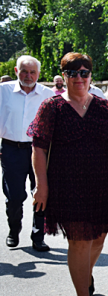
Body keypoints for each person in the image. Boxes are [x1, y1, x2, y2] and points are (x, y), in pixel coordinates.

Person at [28, 52, 108, 296]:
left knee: (99, 237)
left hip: (101, 182)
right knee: (79, 240)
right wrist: (41, 186)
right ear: (64, 76)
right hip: (67, 184)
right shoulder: (51, 107)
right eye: (73, 73)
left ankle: (83, 274)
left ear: (91, 75)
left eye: (84, 72)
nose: (79, 78)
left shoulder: (103, 107)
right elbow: (39, 147)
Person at [0, 55, 54, 251]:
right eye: (24, 71)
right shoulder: (3, 92)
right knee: (14, 196)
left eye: (32, 72)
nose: (28, 76)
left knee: (41, 193)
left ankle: (38, 236)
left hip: (40, 150)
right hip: (11, 149)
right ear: (16, 71)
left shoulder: (48, 95)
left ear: (39, 74)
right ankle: (14, 230)